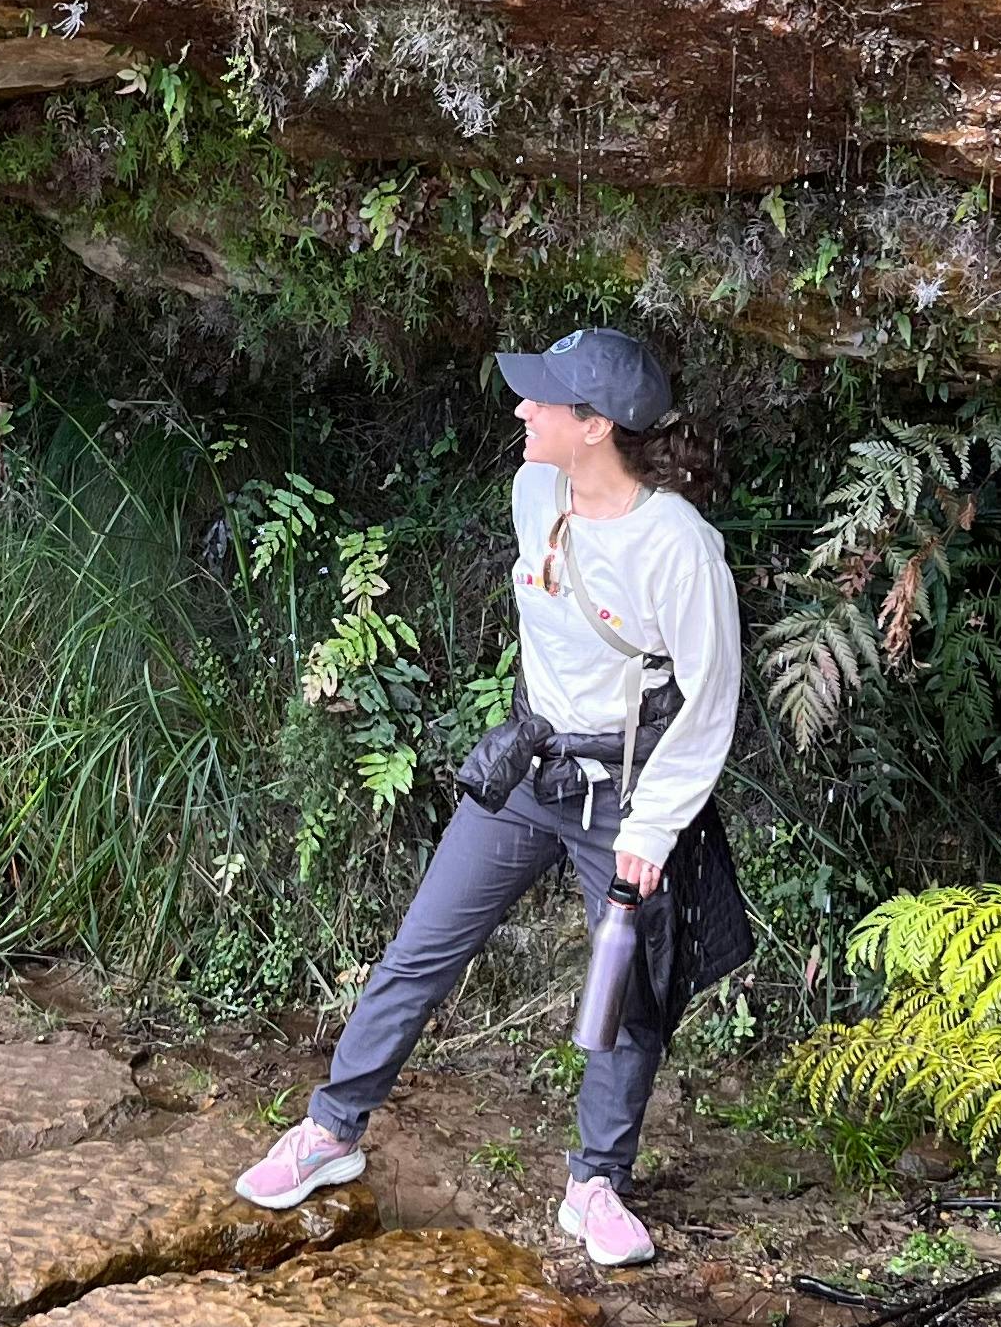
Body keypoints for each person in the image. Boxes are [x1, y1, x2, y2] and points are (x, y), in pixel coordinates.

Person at [235, 328, 738, 1268]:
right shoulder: (533, 490)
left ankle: (595, 1185)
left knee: (624, 991)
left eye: (541, 400)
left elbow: (709, 699)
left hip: (623, 799)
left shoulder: (679, 548)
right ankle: (332, 1130)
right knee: (422, 947)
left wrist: (656, 827)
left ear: (594, 427)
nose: (520, 409)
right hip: (528, 774)